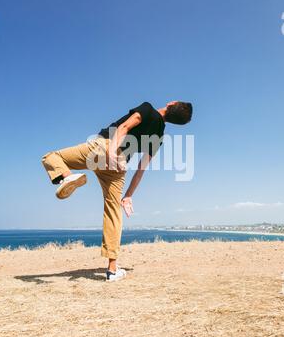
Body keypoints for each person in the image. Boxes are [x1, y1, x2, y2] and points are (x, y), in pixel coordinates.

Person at [42, 101, 193, 281]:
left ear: (171, 103)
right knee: (113, 211)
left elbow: (124, 127)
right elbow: (141, 168)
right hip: (119, 166)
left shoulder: (148, 109)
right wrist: (128, 196)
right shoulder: (159, 135)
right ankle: (112, 270)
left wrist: (111, 151)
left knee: (52, 157)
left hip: (105, 148)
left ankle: (68, 176)